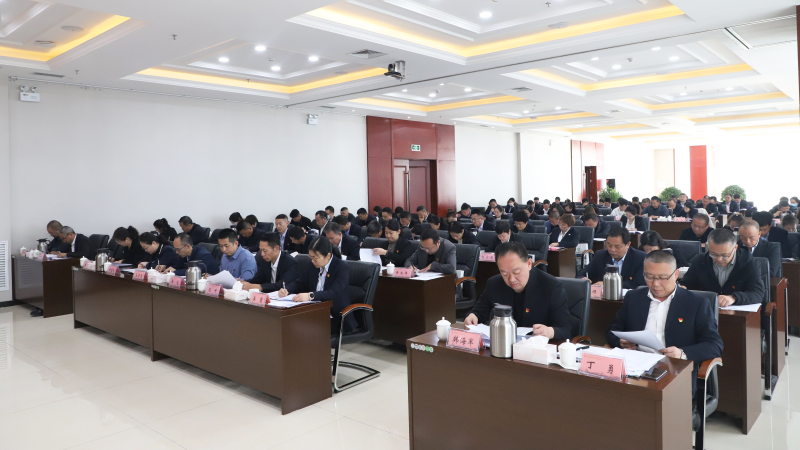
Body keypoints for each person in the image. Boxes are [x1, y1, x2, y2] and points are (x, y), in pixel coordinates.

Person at [606, 250, 723, 400]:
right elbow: (612, 330)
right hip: (635, 369)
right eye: (649, 277)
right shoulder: (634, 297)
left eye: (662, 278)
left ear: (676, 274)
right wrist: (620, 342)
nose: (655, 284)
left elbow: (715, 345)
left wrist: (682, 353)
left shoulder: (696, 303)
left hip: (674, 371)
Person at [464, 242, 578, 339]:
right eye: (504, 274)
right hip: (504, 347)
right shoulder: (494, 284)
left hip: (537, 350)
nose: (511, 279)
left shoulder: (551, 287)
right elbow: (478, 312)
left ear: (529, 264)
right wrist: (473, 316)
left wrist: (549, 332)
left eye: (516, 272)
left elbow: (566, 329)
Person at [280, 237, 353, 335]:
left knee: (302, 328)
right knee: (288, 322)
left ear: (328, 255)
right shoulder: (314, 265)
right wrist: (287, 289)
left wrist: (310, 295)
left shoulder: (341, 268)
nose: (312, 261)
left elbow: (334, 292)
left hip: (335, 315)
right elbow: (300, 282)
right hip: (314, 311)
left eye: (315, 258)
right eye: (311, 257)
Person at [681, 228, 765, 308]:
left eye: (725, 255)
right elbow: (687, 283)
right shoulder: (701, 261)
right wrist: (683, 287)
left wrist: (733, 298)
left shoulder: (749, 263)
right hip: (706, 309)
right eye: (713, 254)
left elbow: (757, 294)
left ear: (735, 248)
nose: (719, 259)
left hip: (737, 312)